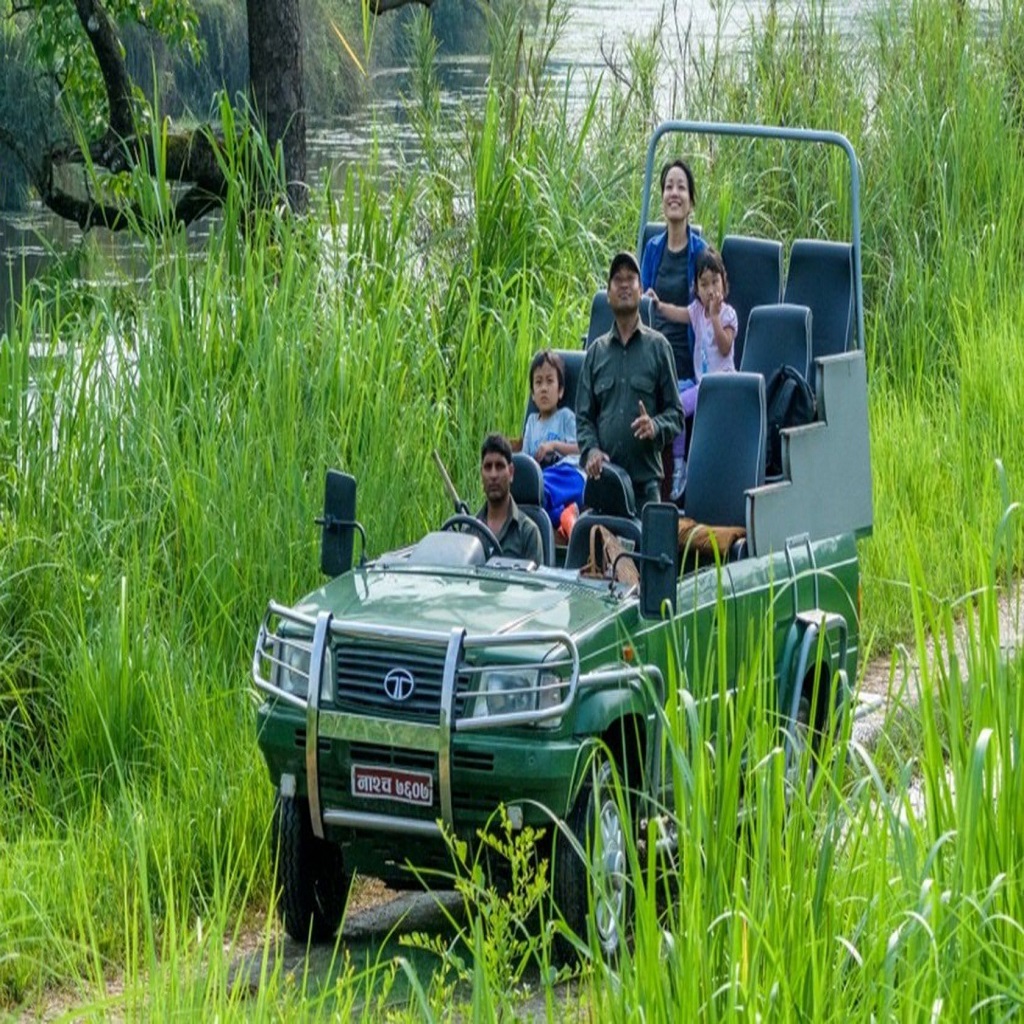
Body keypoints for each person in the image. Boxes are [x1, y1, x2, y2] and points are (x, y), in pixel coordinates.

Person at [576, 251, 684, 508]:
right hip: (605, 484)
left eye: (631, 279)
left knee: (646, 548)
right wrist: (590, 450)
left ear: (641, 289)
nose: (624, 284)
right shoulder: (595, 353)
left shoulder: (659, 348)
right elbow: (583, 418)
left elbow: (676, 414)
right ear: (608, 291)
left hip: (645, 487)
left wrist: (655, 426)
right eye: (617, 279)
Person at [648, 247, 738, 498]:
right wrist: (657, 304)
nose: (710, 290)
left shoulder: (728, 314)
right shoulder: (697, 311)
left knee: (677, 407)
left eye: (715, 282)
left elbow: (724, 345)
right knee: (672, 394)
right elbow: (676, 313)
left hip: (722, 385)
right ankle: (673, 464)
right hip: (701, 384)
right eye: (704, 284)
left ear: (724, 282)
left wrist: (716, 317)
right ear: (696, 288)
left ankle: (680, 466)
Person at [640, 158, 708, 381]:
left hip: (685, 359)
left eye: (681, 187)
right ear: (662, 199)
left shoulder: (701, 253)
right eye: (668, 187)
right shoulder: (652, 249)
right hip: (652, 354)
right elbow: (641, 306)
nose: (674, 193)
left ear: (690, 202)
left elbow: (707, 311)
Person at [519, 349, 585, 532]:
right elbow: (526, 460)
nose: (544, 388)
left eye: (550, 381)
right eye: (538, 383)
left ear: (561, 390)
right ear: (532, 394)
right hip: (544, 479)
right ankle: (566, 516)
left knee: (541, 488)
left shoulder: (565, 417)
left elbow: (581, 449)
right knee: (536, 494)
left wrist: (554, 446)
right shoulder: (532, 423)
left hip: (570, 474)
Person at [476, 433, 544, 563]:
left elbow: (534, 583)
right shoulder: (470, 530)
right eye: (488, 467)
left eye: (500, 466)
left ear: (511, 472)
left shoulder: (528, 533)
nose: (493, 475)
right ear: (482, 474)